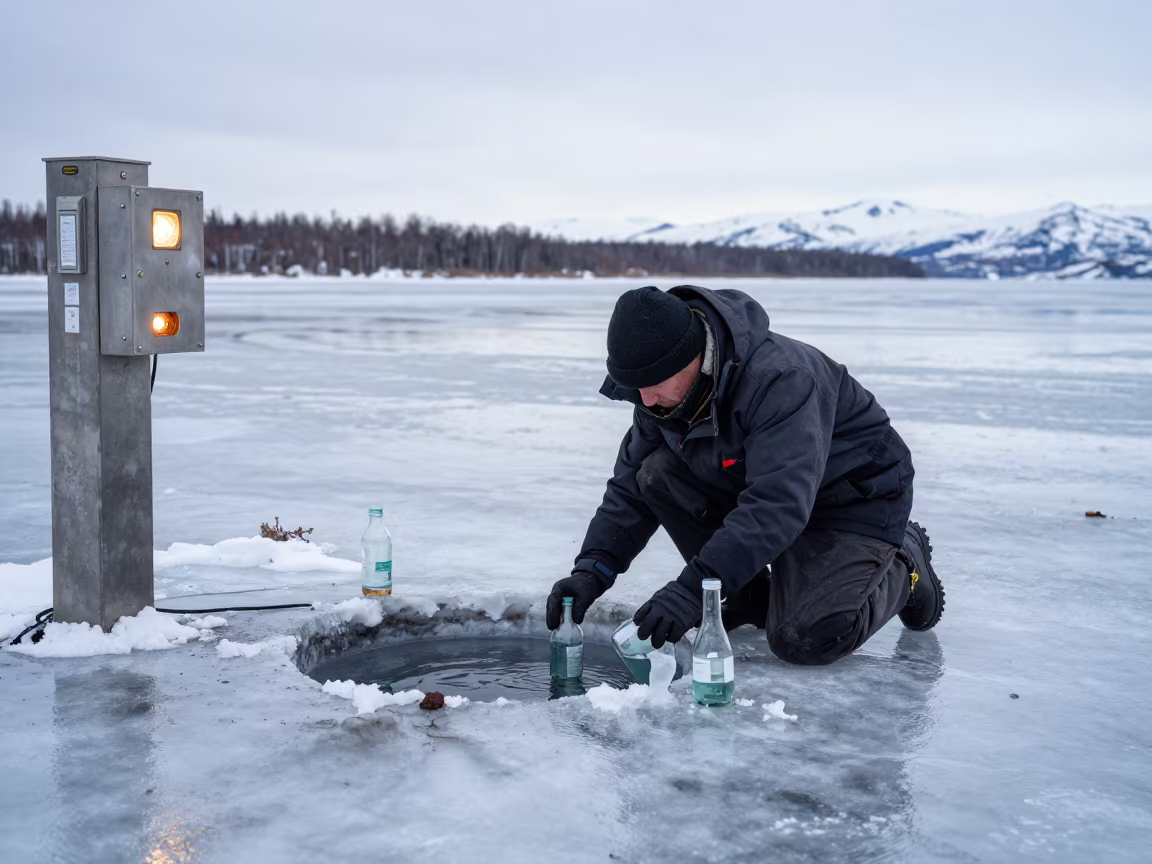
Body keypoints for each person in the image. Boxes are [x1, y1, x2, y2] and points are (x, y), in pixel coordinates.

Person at [545, 285, 944, 665]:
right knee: (656, 473)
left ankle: (905, 562)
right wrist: (592, 571)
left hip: (852, 499)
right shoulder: (659, 396)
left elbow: (777, 505)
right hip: (761, 487)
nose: (645, 400)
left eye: (651, 385)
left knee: (806, 638)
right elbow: (630, 487)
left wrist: (690, 590)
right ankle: (747, 597)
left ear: (692, 357)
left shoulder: (782, 380)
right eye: (635, 389)